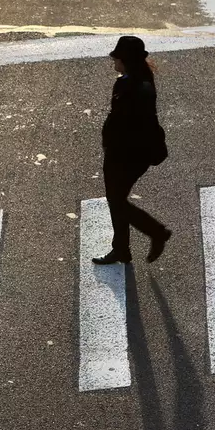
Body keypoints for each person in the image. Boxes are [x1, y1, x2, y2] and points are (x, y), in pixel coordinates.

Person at [92, 36, 171, 265]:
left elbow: (133, 123)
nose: (114, 61)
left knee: (117, 201)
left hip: (127, 154)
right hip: (125, 152)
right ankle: (121, 249)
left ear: (125, 60)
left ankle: (156, 232)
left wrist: (113, 143)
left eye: (117, 58)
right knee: (116, 199)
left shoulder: (134, 86)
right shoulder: (135, 80)